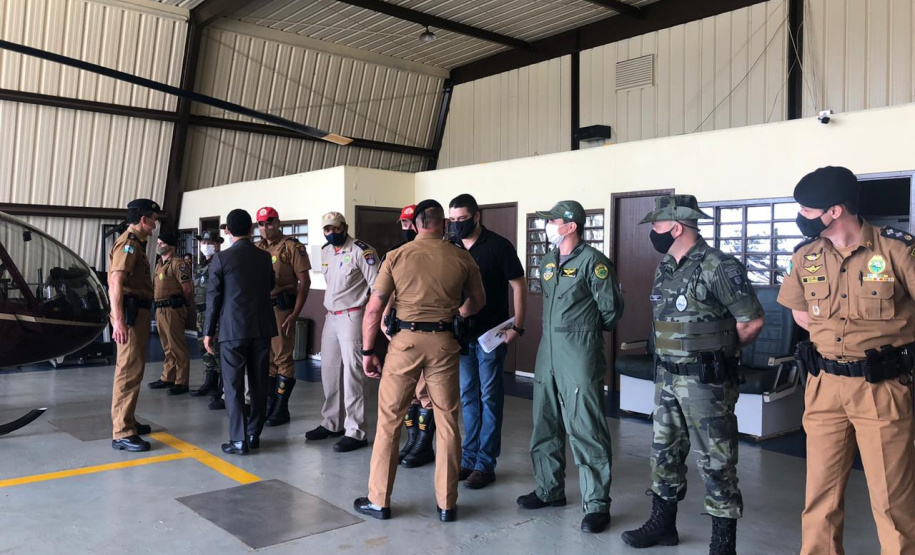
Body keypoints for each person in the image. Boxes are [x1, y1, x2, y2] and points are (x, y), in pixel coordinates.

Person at [777, 166, 915, 555]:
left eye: (806, 210)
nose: (800, 217)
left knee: (892, 502)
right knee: (820, 496)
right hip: (824, 388)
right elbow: (799, 311)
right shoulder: (806, 257)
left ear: (834, 211)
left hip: (881, 388)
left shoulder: (897, 250)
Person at [621, 195, 765, 555]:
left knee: (716, 460)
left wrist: (722, 355)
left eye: (656, 226)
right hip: (667, 378)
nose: (652, 233)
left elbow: (751, 320)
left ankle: (722, 541)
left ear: (675, 226)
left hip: (705, 382)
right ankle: (663, 524)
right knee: (663, 453)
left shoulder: (718, 265)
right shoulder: (666, 265)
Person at [353, 199, 485, 522]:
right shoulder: (461, 257)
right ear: (443, 224)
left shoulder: (396, 257)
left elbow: (374, 308)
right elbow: (479, 301)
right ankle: (447, 504)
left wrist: (369, 351)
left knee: (389, 420)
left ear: (415, 225)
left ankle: (379, 500)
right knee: (448, 423)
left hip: (405, 345)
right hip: (444, 345)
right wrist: (455, 315)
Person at [516, 200, 622, 535]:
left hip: (578, 351)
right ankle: (550, 490)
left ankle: (596, 506)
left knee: (585, 427)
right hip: (547, 352)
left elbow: (611, 311)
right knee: (544, 423)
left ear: (571, 225)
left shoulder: (594, 262)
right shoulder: (548, 262)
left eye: (553, 220)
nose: (547, 225)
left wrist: (583, 330)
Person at [448, 194, 527, 490]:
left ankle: (485, 464)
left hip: (492, 336)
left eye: (462, 219)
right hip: (462, 336)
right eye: (452, 220)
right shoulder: (450, 247)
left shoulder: (498, 245)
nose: (457, 225)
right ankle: (468, 459)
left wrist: (518, 327)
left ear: (476, 216)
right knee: (468, 397)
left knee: (489, 398)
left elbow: (519, 285)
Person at [204, 209, 278, 455]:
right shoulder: (264, 257)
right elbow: (271, 285)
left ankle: (238, 440)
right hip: (261, 329)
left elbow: (213, 298)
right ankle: (254, 434)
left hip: (232, 330)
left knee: (233, 386)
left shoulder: (221, 258)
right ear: (251, 229)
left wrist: (208, 332)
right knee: (258, 384)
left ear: (228, 231)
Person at [304, 212, 379, 453]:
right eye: (327, 229)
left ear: (345, 227)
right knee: (330, 371)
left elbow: (378, 287)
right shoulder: (326, 251)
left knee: (353, 375)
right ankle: (332, 422)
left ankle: (356, 431)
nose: (331, 233)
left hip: (352, 316)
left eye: (336, 228)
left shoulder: (362, 251)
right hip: (331, 317)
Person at [385, 205, 436, 469]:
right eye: (403, 224)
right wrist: (385, 319)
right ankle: (412, 440)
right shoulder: (396, 253)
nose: (407, 228)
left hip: (426, 332)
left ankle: (424, 446)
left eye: (410, 223)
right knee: (409, 393)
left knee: (425, 391)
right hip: (401, 330)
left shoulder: (438, 252)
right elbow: (386, 291)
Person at [108, 198, 161, 452]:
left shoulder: (136, 244)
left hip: (136, 313)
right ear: (143, 219)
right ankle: (122, 432)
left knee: (134, 369)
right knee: (128, 371)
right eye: (153, 219)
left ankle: (127, 420)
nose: (154, 225)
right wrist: (118, 320)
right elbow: (116, 282)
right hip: (128, 315)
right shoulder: (128, 244)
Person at [255, 207, 311, 426]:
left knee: (282, 358)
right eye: (261, 224)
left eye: (269, 223)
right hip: (262, 310)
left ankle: (281, 408)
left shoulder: (291, 247)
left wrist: (295, 314)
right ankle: (270, 404)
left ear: (278, 223)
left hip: (282, 311)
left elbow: (304, 282)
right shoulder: (257, 248)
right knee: (267, 359)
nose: (265, 228)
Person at [146, 233, 194, 395]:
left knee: (177, 346)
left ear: (171, 246)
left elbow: (187, 288)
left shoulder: (178, 264)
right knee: (167, 347)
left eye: (161, 242)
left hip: (173, 309)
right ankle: (168, 377)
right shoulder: (160, 264)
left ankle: (181, 381)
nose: (158, 245)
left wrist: (183, 305)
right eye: (158, 242)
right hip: (160, 309)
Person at [190, 230, 225, 409]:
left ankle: (222, 388)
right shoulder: (201, 264)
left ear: (217, 244)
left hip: (215, 313)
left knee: (217, 349)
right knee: (204, 349)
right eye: (203, 242)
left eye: (209, 242)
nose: (205, 246)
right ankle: (210, 381)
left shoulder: (220, 263)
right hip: (201, 312)